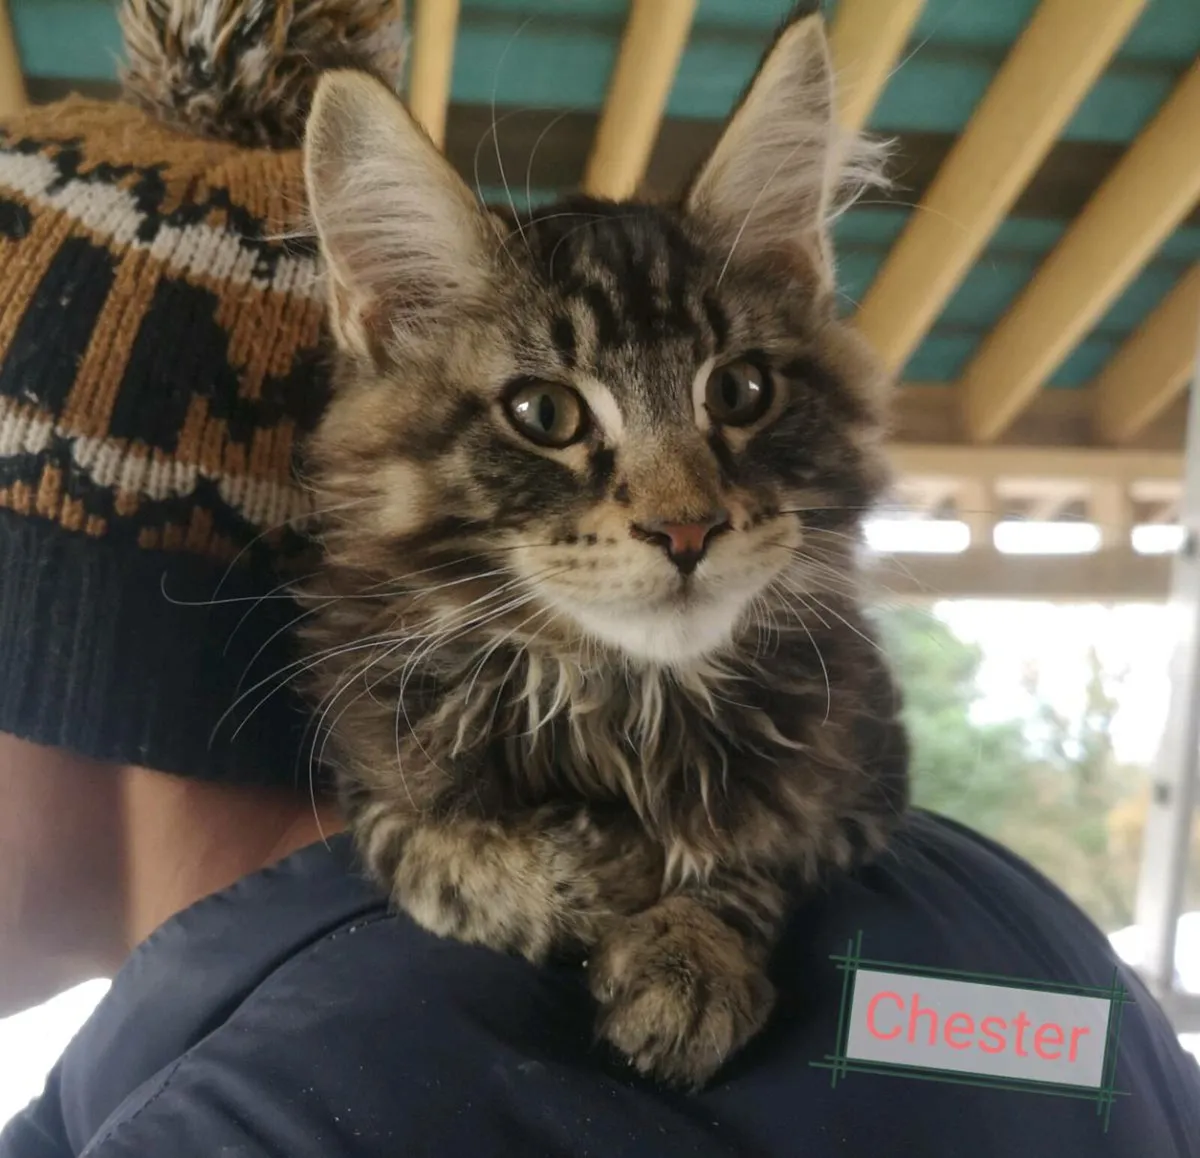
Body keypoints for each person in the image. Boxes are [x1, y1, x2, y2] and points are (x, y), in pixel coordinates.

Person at [0, 2, 1197, 1155]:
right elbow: (1066, 1058)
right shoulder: (1027, 936)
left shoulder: (261, 1112)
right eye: (545, 414)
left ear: (47, 624)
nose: (682, 518)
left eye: (735, 396)